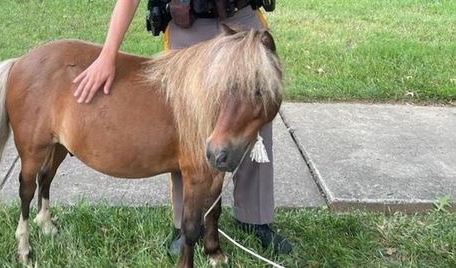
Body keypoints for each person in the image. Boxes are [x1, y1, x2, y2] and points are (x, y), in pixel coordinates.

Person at [72, 0, 292, 256]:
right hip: (189, 24)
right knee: (185, 130)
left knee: (255, 108)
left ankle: (254, 216)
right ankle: (184, 223)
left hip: (240, 18)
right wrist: (108, 54)